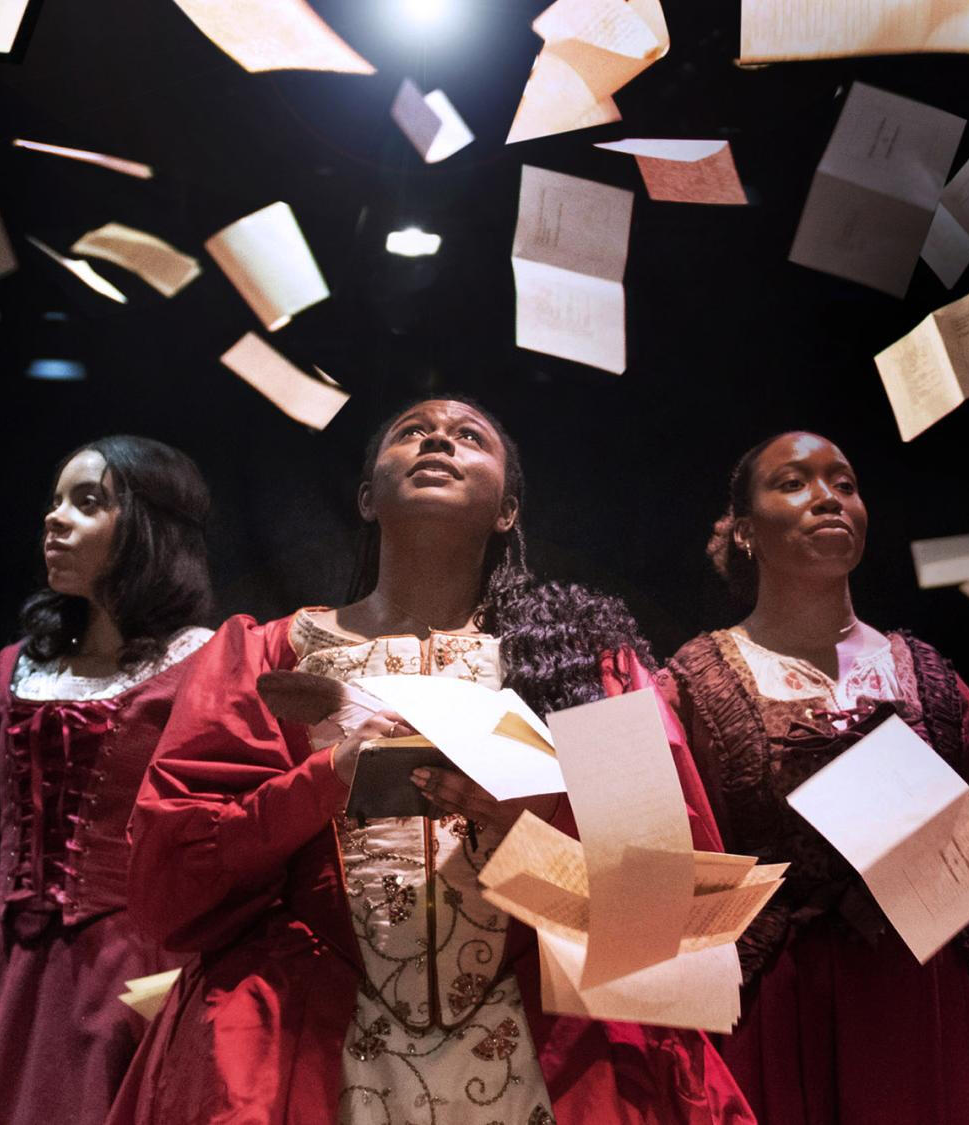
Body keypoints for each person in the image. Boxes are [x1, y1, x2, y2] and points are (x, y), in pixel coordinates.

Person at [110, 398, 755, 1125]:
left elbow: (671, 916)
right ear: (365, 497)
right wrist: (324, 781)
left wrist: (531, 837)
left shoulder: (585, 663)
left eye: (469, 435)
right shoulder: (264, 655)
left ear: (507, 509)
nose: (439, 438)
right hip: (305, 1046)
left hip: (549, 1050)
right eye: (412, 431)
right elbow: (169, 881)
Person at [662, 431, 969, 1125]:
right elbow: (665, 881)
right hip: (786, 1024)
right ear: (743, 530)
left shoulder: (932, 680)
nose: (827, 496)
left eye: (845, 483)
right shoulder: (691, 684)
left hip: (946, 1016)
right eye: (794, 481)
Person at [0, 436, 216, 1125]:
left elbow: (226, 855)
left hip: (129, 981)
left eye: (87, 502)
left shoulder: (206, 664)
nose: (55, 518)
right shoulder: (10, 670)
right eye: (54, 502)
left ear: (150, 525)